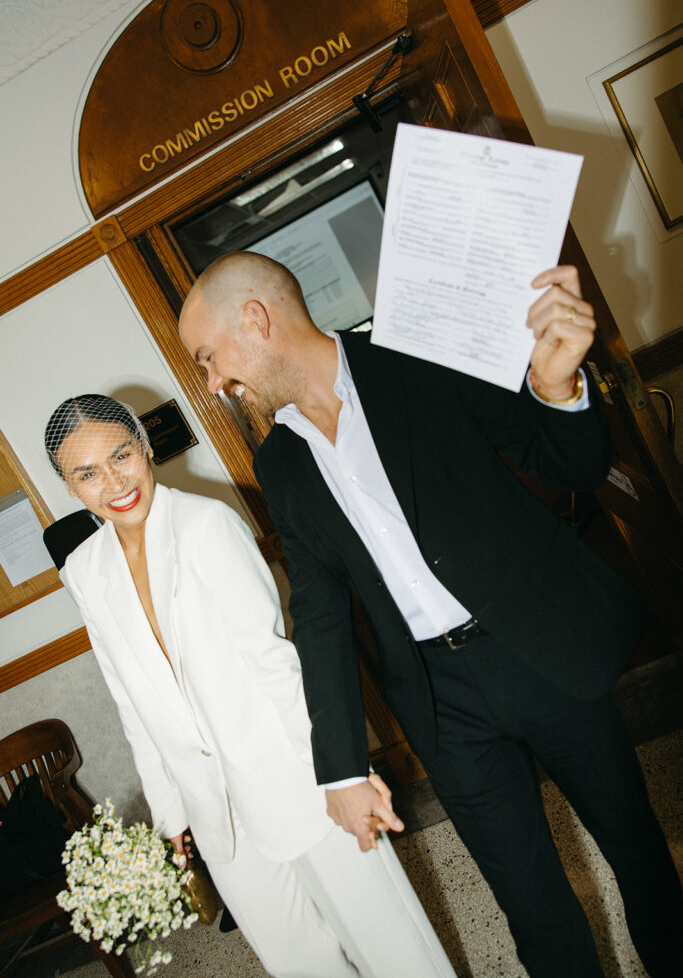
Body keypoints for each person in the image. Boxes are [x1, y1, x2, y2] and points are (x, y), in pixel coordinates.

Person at [179, 251, 683, 978]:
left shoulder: (415, 358)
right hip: (439, 701)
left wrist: (556, 382)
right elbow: (318, 616)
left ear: (255, 321)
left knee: (635, 849)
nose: (213, 381)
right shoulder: (280, 469)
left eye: (209, 356)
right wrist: (341, 771)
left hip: (537, 648)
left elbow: (564, 464)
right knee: (530, 904)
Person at [45, 394, 457, 978]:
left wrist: (342, 769)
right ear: (69, 486)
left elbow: (274, 660)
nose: (114, 482)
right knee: (297, 962)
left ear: (143, 445)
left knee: (390, 944)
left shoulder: (206, 523)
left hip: (296, 776)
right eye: (88, 473)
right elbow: (130, 700)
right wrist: (172, 815)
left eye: (121, 455)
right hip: (216, 815)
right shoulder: (84, 571)